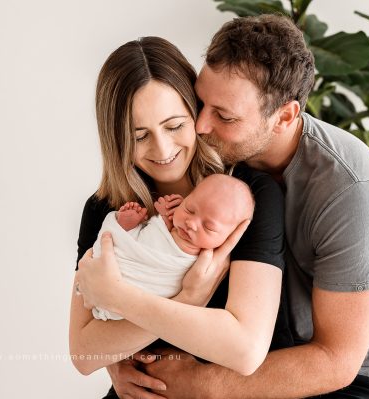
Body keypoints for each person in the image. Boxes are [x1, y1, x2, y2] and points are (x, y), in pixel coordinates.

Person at [105, 15, 369, 399]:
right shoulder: (218, 156)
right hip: (255, 355)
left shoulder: (355, 191)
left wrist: (197, 384)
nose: (202, 126)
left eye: (224, 115)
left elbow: (336, 360)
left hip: (368, 377)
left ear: (285, 116)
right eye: (200, 102)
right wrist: (118, 359)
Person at [69, 36, 293, 397]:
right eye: (139, 136)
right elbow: (84, 352)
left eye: (174, 126)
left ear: (196, 113)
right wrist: (187, 300)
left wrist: (120, 300)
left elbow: (245, 349)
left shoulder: (245, 195)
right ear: (117, 140)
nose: (164, 150)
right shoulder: (105, 209)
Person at [87, 174, 255, 321]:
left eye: (209, 227)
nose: (191, 223)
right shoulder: (97, 205)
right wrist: (166, 219)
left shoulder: (202, 256)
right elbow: (160, 237)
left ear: (229, 238)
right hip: (128, 256)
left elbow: (175, 250)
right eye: (189, 209)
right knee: (120, 237)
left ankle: (125, 230)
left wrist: (168, 219)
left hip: (138, 290)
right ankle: (125, 229)